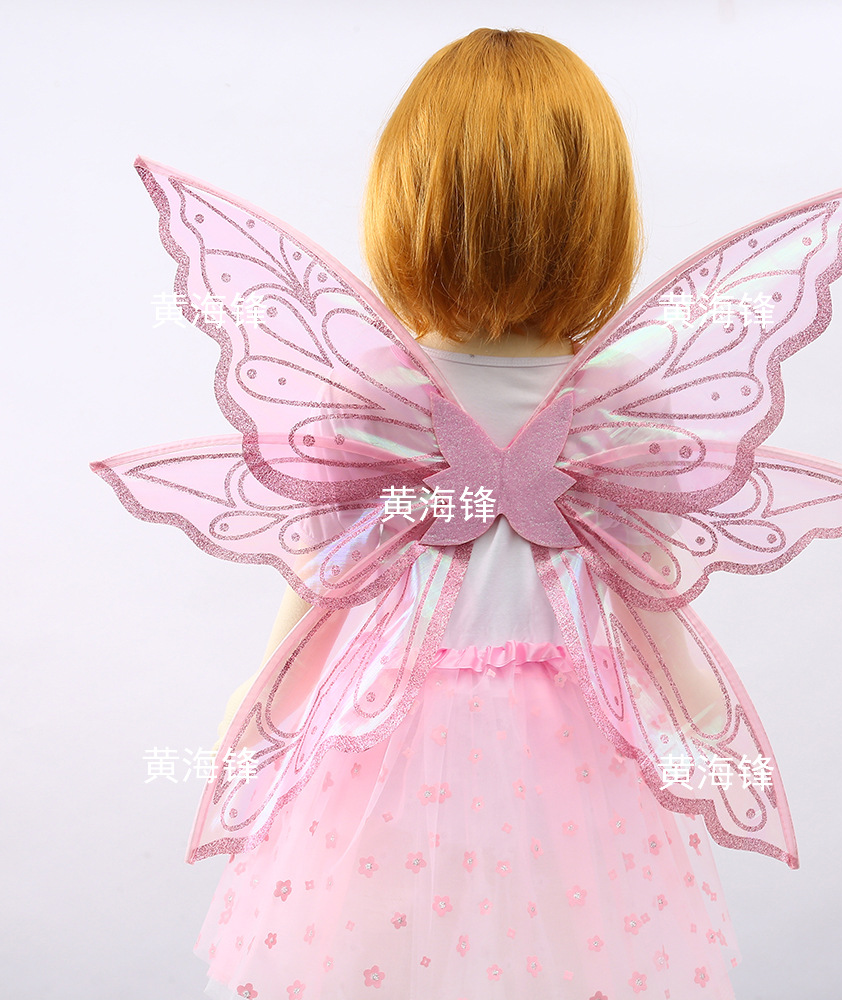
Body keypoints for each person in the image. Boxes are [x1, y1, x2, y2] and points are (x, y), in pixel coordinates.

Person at [199, 28, 742, 999]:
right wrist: (705, 709)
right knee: (564, 952)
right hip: (570, 746)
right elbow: (648, 591)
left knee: (392, 951)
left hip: (389, 735)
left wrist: (262, 699)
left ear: (410, 203)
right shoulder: (611, 402)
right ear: (595, 216)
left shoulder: (379, 389)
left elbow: (326, 580)